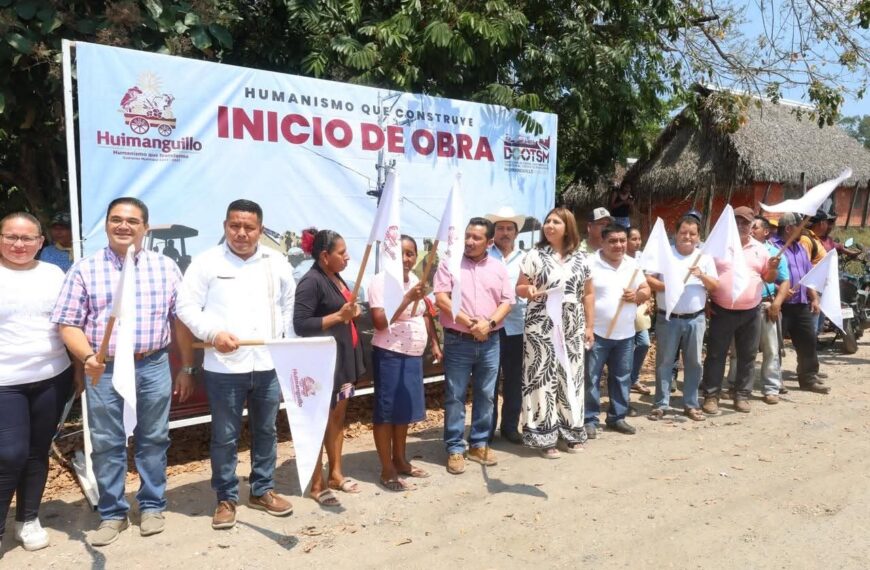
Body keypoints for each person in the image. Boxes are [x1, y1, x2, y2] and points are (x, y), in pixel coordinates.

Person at [51, 197, 195, 546]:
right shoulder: (85, 269)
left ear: (145, 227)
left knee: (153, 438)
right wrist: (87, 357)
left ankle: (151, 506)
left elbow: (183, 321)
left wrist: (187, 366)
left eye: (132, 221)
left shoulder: (166, 268)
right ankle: (112, 513)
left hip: (153, 364)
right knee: (105, 442)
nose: (124, 226)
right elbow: (67, 324)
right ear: (106, 224)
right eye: (116, 219)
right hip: (104, 368)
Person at [175, 199, 296, 530]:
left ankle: (262, 489)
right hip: (224, 368)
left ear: (260, 229)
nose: (241, 233)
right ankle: (226, 497)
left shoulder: (277, 261)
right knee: (225, 435)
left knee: (267, 430)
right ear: (225, 226)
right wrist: (213, 333)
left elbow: (288, 302)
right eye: (235, 226)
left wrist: (282, 340)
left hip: (267, 363)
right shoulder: (206, 262)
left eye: (249, 227)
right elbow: (185, 306)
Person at [0, 213, 75, 552]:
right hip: (6, 382)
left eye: (27, 238)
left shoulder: (53, 274)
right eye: (11, 237)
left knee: (36, 451)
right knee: (9, 453)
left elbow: (68, 321)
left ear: (40, 242)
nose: (19, 244)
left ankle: (28, 519)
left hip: (51, 377)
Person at [434, 217, 514, 475]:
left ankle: (479, 443)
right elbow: (441, 298)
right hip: (459, 339)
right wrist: (471, 323)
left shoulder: (499, 268)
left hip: (491, 341)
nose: (469, 241)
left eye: (476, 238)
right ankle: (456, 448)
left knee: (486, 394)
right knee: (455, 396)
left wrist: (488, 325)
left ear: (489, 242)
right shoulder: (450, 264)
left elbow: (507, 302)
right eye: (468, 236)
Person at [293, 230, 365, 507]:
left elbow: (343, 314)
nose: (347, 257)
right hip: (323, 364)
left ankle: (335, 473)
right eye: (342, 252)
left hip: (343, 360)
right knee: (319, 421)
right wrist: (338, 316)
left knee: (337, 419)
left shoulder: (335, 277)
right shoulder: (311, 282)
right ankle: (316, 483)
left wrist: (352, 313)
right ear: (325, 256)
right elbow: (301, 324)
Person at [516, 207, 594, 457]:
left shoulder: (583, 259)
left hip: (572, 323)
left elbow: (589, 294)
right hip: (541, 323)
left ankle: (571, 432)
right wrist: (526, 290)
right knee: (542, 376)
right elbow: (519, 286)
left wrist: (590, 326)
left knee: (571, 375)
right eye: (547, 221)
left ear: (567, 227)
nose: (549, 226)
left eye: (556, 222)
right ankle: (544, 437)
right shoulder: (534, 255)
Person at [369, 235, 441, 491]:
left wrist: (433, 343)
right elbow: (379, 322)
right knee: (387, 412)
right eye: (401, 253)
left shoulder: (415, 282)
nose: (406, 259)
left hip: (412, 354)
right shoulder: (380, 282)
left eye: (411, 253)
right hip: (390, 354)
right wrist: (408, 298)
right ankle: (386, 467)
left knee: (403, 412)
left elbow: (424, 316)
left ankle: (400, 460)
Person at [700, 206, 778, 415]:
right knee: (716, 355)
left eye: (746, 222)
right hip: (721, 310)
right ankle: (711, 396)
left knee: (748, 355)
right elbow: (704, 274)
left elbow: (767, 278)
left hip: (751, 311)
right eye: (737, 222)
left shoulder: (761, 249)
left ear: (753, 225)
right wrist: (705, 301)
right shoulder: (718, 247)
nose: (741, 226)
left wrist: (772, 268)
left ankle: (742, 395)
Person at [646, 215, 718, 421]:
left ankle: (691, 403)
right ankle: (661, 403)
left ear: (698, 236)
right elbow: (649, 279)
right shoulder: (665, 255)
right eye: (683, 232)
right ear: (675, 234)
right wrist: (670, 287)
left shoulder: (704, 258)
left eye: (692, 233)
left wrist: (701, 275)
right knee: (665, 362)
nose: (687, 236)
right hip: (668, 318)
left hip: (695, 319)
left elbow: (715, 286)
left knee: (694, 362)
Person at [584, 224, 651, 436]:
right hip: (596, 333)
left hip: (625, 334)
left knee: (622, 377)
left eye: (622, 240)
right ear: (602, 242)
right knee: (591, 378)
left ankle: (617, 417)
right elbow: (582, 295)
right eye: (613, 241)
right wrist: (587, 326)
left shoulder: (633, 265)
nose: (619, 245)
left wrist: (638, 296)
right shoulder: (589, 263)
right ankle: (589, 419)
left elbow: (646, 289)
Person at [724, 216, 790, 404]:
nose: (750, 230)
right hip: (743, 307)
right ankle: (734, 385)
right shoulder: (734, 250)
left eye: (755, 227)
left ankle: (771, 388)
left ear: (766, 231)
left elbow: (784, 281)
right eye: (749, 227)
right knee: (738, 351)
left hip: (766, 305)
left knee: (771, 349)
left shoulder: (774, 253)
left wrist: (777, 303)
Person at [771, 213, 830, 394]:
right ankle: (775, 381)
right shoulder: (773, 248)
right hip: (781, 305)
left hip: (801, 304)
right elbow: (765, 275)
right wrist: (778, 289)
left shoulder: (801, 248)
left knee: (808, 342)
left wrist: (814, 298)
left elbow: (807, 276)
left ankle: (808, 379)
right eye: (800, 227)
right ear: (789, 228)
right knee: (775, 346)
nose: (802, 231)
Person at [484, 206, 528, 444]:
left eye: (509, 228)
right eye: (500, 228)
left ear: (516, 233)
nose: (504, 232)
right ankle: (486, 428)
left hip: (517, 326)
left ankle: (510, 426)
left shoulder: (526, 259)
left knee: (514, 379)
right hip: (490, 326)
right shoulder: (484, 256)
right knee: (488, 380)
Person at [627, 226, 652, 396]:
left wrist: (648, 299)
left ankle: (633, 379)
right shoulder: (618, 259)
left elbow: (646, 282)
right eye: (633, 239)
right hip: (622, 308)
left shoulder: (642, 258)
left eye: (639, 239)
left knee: (643, 343)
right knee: (626, 348)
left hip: (639, 309)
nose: (637, 242)